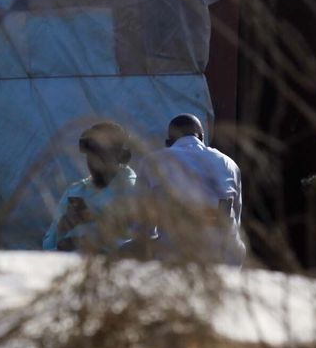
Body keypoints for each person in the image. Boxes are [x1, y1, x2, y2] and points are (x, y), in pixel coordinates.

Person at [142, 112, 244, 264]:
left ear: (168, 142)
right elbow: (236, 217)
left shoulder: (154, 161)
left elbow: (143, 225)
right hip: (224, 259)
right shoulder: (230, 164)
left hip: (176, 258)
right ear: (202, 139)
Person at [42, 121, 138, 252]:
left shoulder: (134, 190)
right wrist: (64, 226)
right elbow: (47, 245)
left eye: (102, 157)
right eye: (91, 156)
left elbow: (138, 240)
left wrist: (89, 241)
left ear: (119, 156)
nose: (94, 163)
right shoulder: (75, 190)